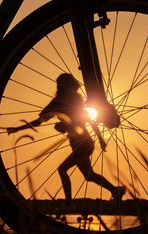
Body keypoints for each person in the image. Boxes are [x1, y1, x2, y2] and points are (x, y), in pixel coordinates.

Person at [7, 73, 125, 208]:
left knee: (69, 171)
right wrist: (99, 138)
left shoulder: (59, 102)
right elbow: (88, 120)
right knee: (86, 174)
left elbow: (39, 122)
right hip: (83, 142)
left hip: (81, 143)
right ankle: (113, 190)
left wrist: (17, 129)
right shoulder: (74, 99)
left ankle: (71, 203)